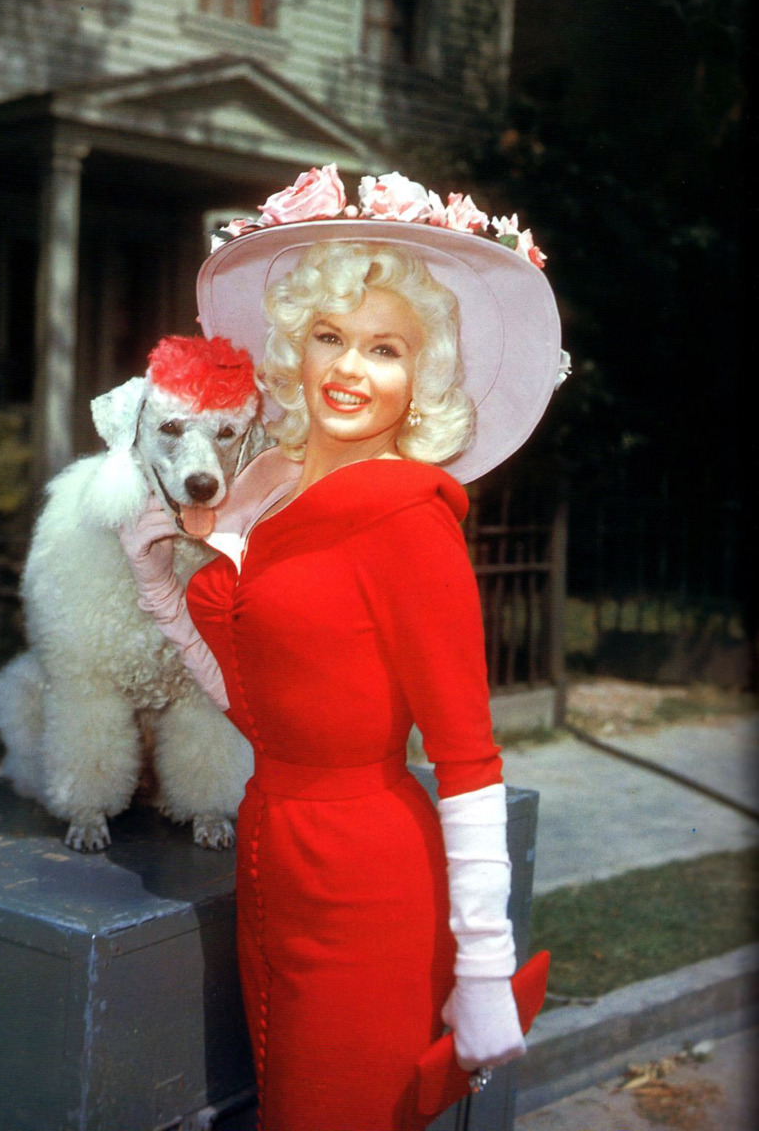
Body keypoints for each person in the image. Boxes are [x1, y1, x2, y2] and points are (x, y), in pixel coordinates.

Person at [122, 168, 568, 1131]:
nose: (349, 368)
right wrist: (163, 589)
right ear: (294, 345)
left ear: (423, 377)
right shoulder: (271, 491)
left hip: (368, 879)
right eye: (330, 336)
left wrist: (485, 964)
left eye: (385, 348)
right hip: (273, 848)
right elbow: (261, 708)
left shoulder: (410, 519)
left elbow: (467, 755)